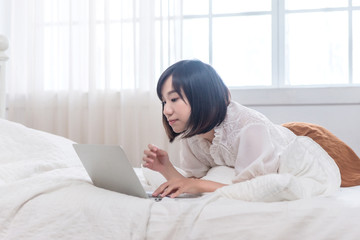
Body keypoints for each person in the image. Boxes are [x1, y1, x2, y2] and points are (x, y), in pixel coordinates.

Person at [143, 59, 341, 201]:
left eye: (174, 99)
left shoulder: (249, 127)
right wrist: (166, 168)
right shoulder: (192, 134)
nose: (166, 110)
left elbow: (252, 189)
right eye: (164, 101)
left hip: (298, 157)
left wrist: (199, 185)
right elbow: (193, 181)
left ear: (203, 95)